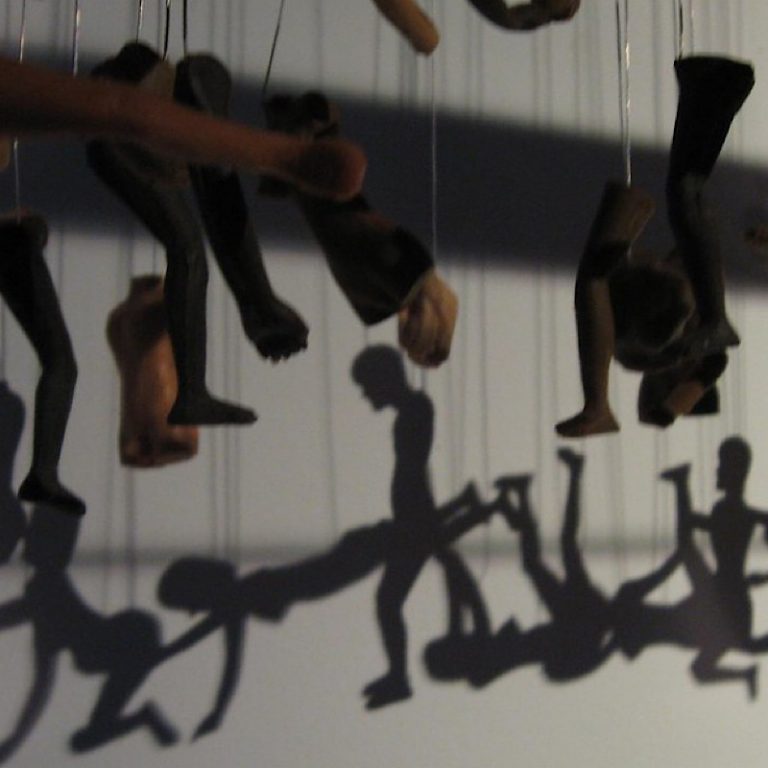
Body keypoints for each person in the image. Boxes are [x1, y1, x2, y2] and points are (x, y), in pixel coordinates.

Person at [557, 55, 754, 437]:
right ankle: (714, 92)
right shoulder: (657, 344)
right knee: (684, 192)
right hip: (657, 321)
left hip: (658, 322)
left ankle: (716, 92)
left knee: (685, 191)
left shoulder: (652, 346)